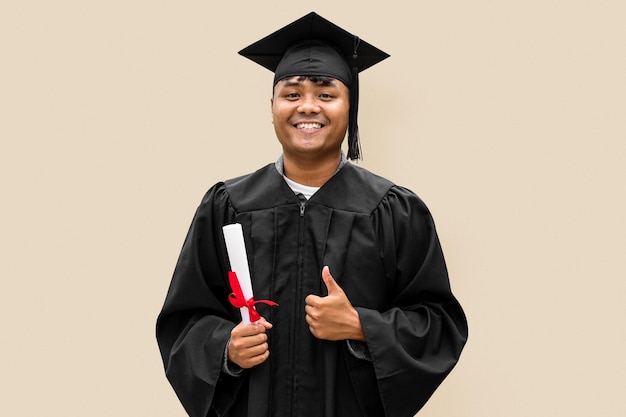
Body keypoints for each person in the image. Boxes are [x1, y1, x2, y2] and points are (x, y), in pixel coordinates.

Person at [156, 12, 468, 417]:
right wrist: (226, 349)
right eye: (291, 94)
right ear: (271, 107)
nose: (308, 106)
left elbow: (439, 325)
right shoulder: (227, 205)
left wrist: (361, 327)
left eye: (326, 94)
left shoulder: (394, 210)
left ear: (349, 106)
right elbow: (184, 319)